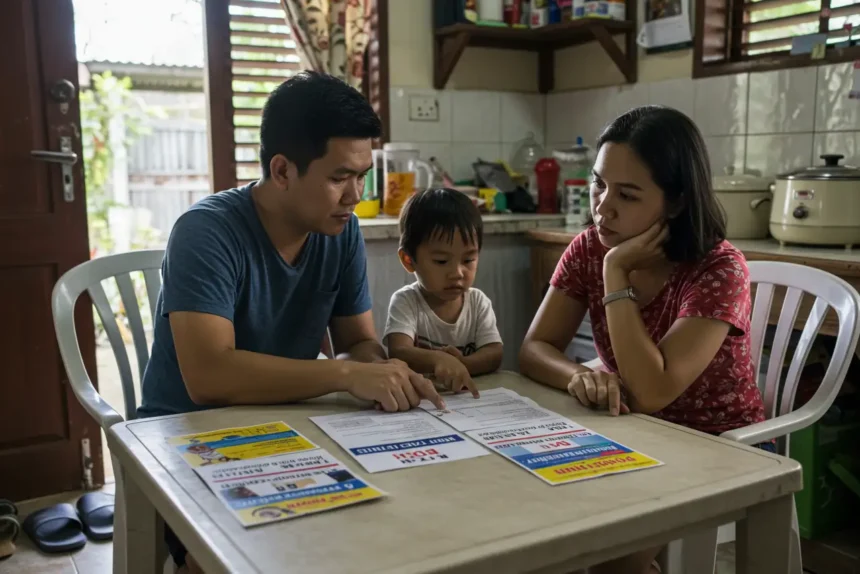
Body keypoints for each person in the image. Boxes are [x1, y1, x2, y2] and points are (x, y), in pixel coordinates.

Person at [137, 71, 444, 573]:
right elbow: (208, 377)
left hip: (292, 425)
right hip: (187, 437)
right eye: (339, 177)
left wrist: (384, 372)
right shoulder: (206, 231)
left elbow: (357, 343)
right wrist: (346, 374)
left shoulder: (340, 231)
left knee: (396, 527)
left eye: (362, 175)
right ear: (282, 170)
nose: (355, 196)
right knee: (241, 558)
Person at [519, 106, 767, 574]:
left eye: (627, 195)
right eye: (598, 183)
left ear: (674, 202)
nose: (602, 206)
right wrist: (578, 377)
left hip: (718, 444)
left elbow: (653, 391)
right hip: (629, 430)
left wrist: (616, 273)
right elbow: (535, 348)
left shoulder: (719, 268)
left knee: (606, 552)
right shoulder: (590, 246)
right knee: (537, 519)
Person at [384, 188, 504, 396]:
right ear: (408, 260)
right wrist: (438, 360)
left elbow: (494, 353)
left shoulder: (477, 302)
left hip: (469, 399)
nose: (457, 273)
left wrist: (462, 364)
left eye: (468, 260)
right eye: (441, 261)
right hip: (421, 400)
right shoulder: (406, 301)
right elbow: (399, 351)